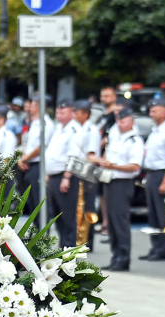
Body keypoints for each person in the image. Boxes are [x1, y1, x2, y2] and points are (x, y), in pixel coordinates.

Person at [95, 107, 143, 271]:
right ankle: (116, 256)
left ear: (131, 122)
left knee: (120, 222)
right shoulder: (116, 137)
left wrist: (113, 166)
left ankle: (123, 258)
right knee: (113, 222)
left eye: (123, 121)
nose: (120, 124)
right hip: (110, 181)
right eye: (118, 121)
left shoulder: (134, 141)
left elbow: (135, 166)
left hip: (122, 183)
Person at [44, 100, 83, 248]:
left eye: (63, 112)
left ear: (72, 113)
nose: (59, 115)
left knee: (67, 216)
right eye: (58, 112)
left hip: (65, 177)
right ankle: (63, 246)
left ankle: (69, 249)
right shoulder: (59, 128)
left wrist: (67, 177)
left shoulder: (74, 130)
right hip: (54, 176)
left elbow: (73, 156)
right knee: (56, 214)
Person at [141, 99, 165, 261]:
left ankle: (163, 248)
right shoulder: (155, 131)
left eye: (154, 111)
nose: (151, 114)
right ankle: (155, 247)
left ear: (164, 112)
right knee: (153, 214)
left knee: (162, 214)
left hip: (162, 174)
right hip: (151, 173)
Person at [16, 94, 54, 214]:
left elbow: (40, 147)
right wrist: (22, 158)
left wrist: (24, 159)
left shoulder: (45, 123)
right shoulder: (34, 123)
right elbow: (28, 144)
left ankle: (43, 229)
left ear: (38, 107)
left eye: (32, 106)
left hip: (38, 164)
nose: (29, 108)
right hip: (29, 163)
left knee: (39, 200)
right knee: (31, 201)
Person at [73, 99, 101, 242]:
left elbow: (91, 155)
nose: (74, 115)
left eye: (77, 112)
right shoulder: (77, 128)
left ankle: (87, 239)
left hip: (88, 171)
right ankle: (79, 236)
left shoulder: (92, 130)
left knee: (88, 206)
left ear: (85, 114)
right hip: (78, 170)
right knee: (79, 205)